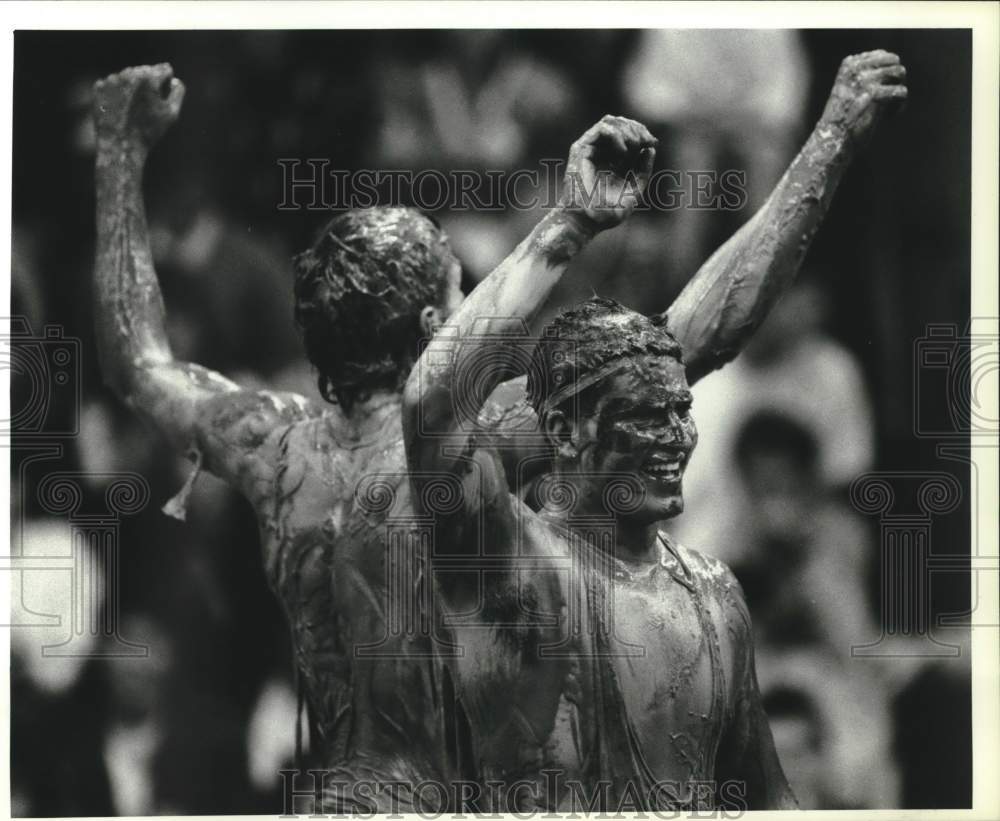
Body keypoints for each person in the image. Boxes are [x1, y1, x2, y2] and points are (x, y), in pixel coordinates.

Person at [93, 50, 905, 810]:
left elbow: (137, 360)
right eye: (459, 289)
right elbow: (698, 331)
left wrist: (117, 158)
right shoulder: (483, 435)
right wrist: (830, 141)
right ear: (431, 321)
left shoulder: (269, 447)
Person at [403, 52, 907, 811]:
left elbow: (702, 334)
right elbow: (432, 408)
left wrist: (828, 141)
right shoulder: (507, 565)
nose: (678, 435)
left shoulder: (714, 595)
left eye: (680, 411)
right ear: (567, 431)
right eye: (649, 418)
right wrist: (567, 224)